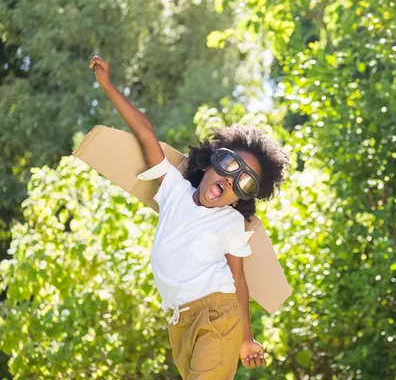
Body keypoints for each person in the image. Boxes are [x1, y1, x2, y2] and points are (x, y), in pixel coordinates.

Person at [89, 55, 288, 379]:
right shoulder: (172, 189)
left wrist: (246, 338)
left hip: (217, 317)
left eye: (245, 181)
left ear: (242, 197)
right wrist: (108, 85)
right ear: (209, 163)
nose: (229, 180)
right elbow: (145, 131)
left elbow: (238, 281)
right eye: (229, 166)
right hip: (178, 323)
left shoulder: (230, 222)